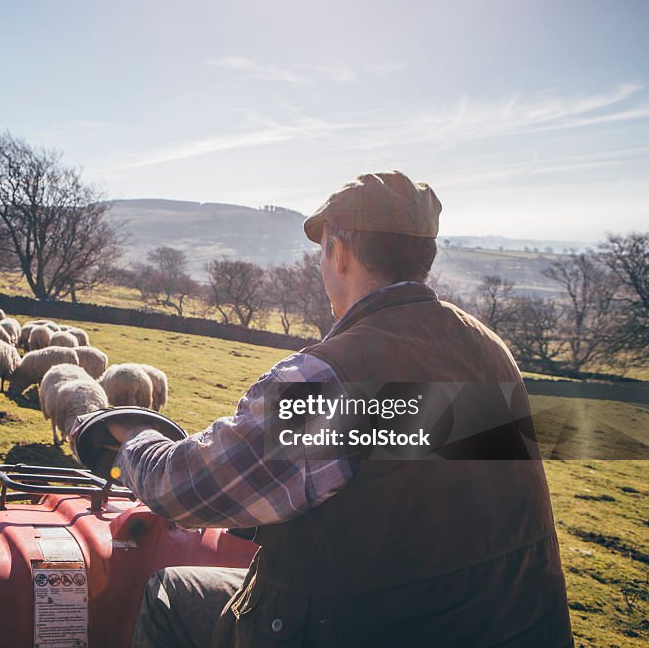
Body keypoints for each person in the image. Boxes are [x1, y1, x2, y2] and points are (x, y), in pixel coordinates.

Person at [99, 171, 574, 647]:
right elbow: (406, 489)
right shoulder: (489, 350)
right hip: (508, 626)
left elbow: (184, 489)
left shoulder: (332, 378)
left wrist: (133, 437)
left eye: (322, 249)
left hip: (367, 627)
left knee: (170, 593)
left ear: (339, 253)